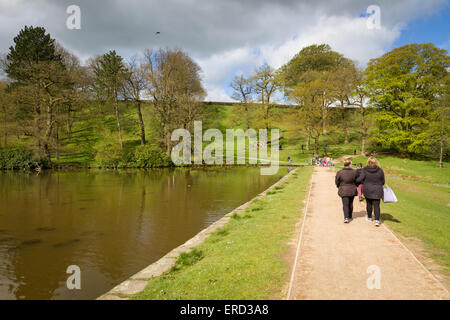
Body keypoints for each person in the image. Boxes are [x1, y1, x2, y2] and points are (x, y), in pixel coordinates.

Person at [356, 157, 385, 227]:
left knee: (369, 204)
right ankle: (377, 221)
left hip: (367, 189)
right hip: (377, 189)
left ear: (368, 162)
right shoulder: (380, 170)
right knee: (376, 205)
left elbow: (360, 179)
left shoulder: (364, 170)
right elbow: (383, 182)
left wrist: (355, 181)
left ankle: (369, 217)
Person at [335, 159, 358, 223]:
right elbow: (357, 180)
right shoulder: (354, 172)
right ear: (350, 164)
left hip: (344, 189)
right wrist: (355, 185)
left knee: (345, 204)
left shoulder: (340, 172)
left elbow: (337, 181)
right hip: (352, 189)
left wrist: (339, 186)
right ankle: (349, 215)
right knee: (350, 203)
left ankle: (346, 217)